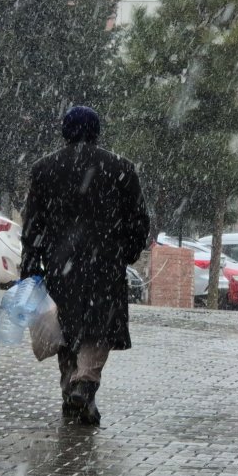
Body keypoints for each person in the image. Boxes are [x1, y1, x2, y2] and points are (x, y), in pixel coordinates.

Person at [21, 106, 150, 425]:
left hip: (60, 263)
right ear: (96, 131)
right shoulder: (120, 167)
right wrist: (127, 252)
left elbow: (33, 223)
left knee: (65, 329)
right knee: (98, 329)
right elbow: (139, 219)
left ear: (65, 131)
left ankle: (71, 388)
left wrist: (31, 264)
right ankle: (84, 383)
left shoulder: (44, 169)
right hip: (105, 264)